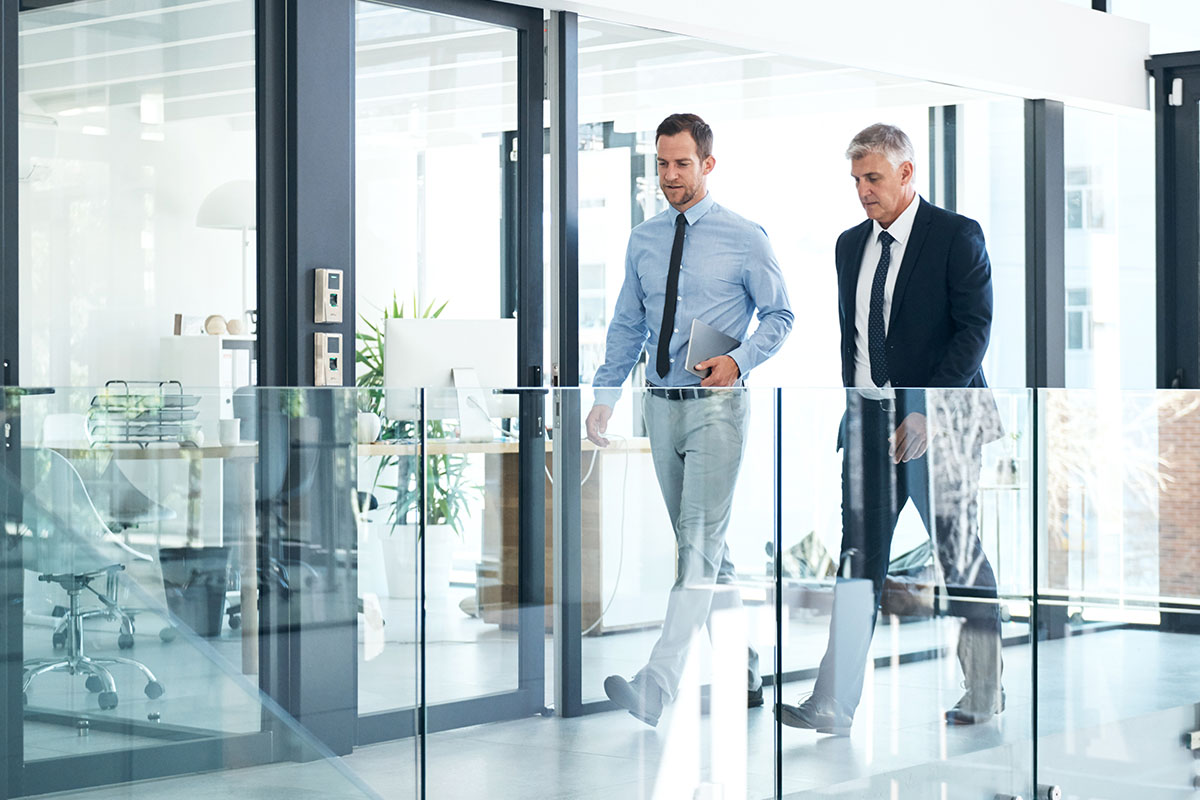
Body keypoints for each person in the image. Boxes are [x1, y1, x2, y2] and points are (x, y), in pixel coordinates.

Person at [778, 123, 1004, 736]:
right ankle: (832, 702)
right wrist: (855, 415)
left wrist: (926, 405)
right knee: (858, 562)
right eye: (855, 180)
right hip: (869, 427)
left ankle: (985, 688)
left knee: (959, 556)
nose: (862, 191)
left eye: (872, 178)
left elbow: (975, 329)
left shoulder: (956, 236)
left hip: (942, 422)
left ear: (907, 173)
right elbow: (854, 341)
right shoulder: (850, 244)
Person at [586, 112, 793, 727]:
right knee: (703, 549)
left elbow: (780, 316)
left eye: (682, 163)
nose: (670, 175)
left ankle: (658, 683)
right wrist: (605, 395)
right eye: (661, 163)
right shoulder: (643, 239)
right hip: (659, 406)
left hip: (717, 410)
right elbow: (626, 324)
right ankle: (747, 666)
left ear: (707, 164)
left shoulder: (744, 236)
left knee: (697, 547)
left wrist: (738, 359)